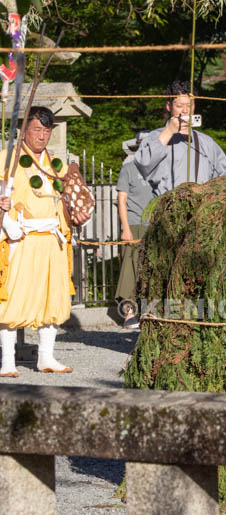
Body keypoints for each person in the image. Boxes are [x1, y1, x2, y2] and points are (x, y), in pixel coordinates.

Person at [0, 106, 92, 376]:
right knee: (13, 298)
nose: (42, 136)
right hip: (22, 238)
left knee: (53, 299)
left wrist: (81, 214)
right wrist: (7, 222)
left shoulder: (58, 164)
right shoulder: (8, 159)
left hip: (53, 239)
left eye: (46, 130)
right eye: (37, 129)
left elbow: (74, 200)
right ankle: (6, 361)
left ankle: (46, 358)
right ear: (24, 130)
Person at [136, 80, 226, 196]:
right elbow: (143, 162)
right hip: (167, 207)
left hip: (201, 208)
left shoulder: (206, 142)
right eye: (179, 106)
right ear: (168, 106)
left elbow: (223, 174)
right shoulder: (156, 136)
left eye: (190, 105)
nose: (185, 111)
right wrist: (169, 131)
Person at [114, 132, 155, 330]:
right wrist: (125, 228)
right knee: (131, 267)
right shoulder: (128, 169)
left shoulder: (161, 168)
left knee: (152, 269)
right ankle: (129, 311)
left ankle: (150, 310)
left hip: (156, 225)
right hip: (135, 223)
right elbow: (122, 200)